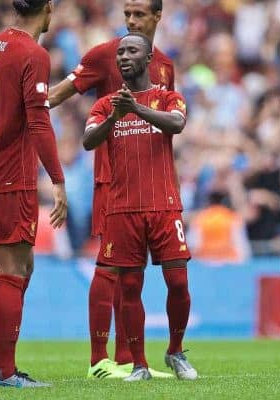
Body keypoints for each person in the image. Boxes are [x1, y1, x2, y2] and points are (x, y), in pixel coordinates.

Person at [48, 0, 174, 379]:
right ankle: (98, 360)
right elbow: (56, 96)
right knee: (109, 268)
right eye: (127, 15)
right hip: (111, 181)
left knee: (132, 273)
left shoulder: (165, 64)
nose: (131, 21)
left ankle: (127, 361)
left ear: (157, 17)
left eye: (139, 15)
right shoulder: (107, 54)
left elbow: (168, 122)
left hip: (151, 187)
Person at [82, 33, 198, 381]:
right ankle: (140, 364)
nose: (123, 57)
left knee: (178, 281)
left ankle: (175, 351)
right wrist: (116, 116)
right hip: (122, 209)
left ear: (149, 59)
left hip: (164, 206)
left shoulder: (168, 98)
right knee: (129, 287)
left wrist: (137, 109)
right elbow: (89, 141)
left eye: (132, 51)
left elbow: (178, 124)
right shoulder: (105, 105)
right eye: (119, 52)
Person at [0, 0, 67, 388]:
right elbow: (39, 121)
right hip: (10, 175)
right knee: (12, 270)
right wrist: (57, 179)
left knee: (22, 267)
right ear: (48, 8)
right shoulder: (33, 53)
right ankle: (4, 372)